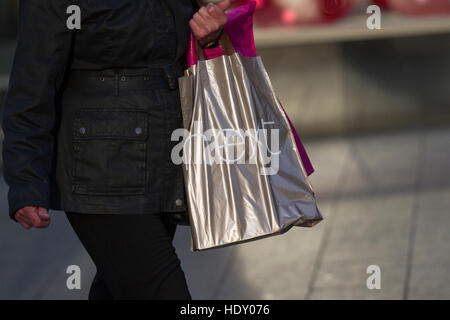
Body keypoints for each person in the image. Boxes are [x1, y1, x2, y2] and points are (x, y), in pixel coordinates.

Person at [1, 0, 231, 300]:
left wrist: (208, 33)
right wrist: (25, 180)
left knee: (121, 286)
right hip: (98, 174)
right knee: (159, 286)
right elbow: (31, 85)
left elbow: (174, 47)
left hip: (164, 161)